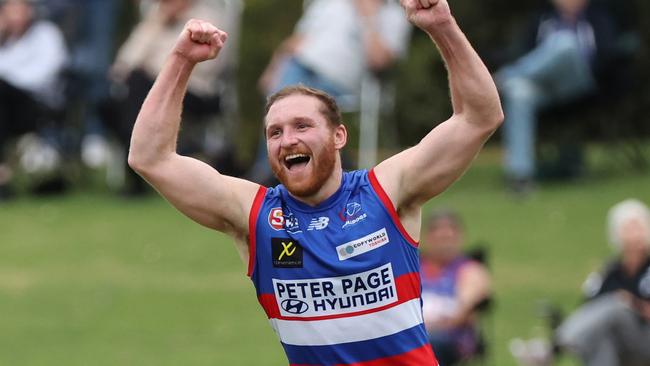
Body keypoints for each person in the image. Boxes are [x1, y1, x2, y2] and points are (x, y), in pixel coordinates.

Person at [127, 0, 503, 363]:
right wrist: (181, 60)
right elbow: (149, 158)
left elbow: (479, 117)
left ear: (339, 136)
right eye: (274, 132)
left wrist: (442, 26)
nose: (287, 139)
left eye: (302, 126)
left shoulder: (387, 190)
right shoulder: (255, 214)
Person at [248, 0, 412, 184]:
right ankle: (271, 171)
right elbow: (299, 38)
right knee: (278, 103)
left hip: (337, 82)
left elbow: (379, 60)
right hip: (299, 65)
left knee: (293, 103)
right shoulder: (330, 2)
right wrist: (274, 67)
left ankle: (267, 176)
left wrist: (368, 18)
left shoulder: (394, 16)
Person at [108, 0, 240, 196]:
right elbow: (123, 64)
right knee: (109, 103)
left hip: (194, 90)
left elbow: (209, 66)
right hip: (147, 90)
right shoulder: (156, 18)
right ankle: (165, 156)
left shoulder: (207, 20)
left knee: (132, 91)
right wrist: (157, 22)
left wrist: (157, 72)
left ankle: (142, 168)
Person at [495, 0, 618, 192]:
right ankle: (521, 176)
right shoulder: (542, 19)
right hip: (544, 86)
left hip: (581, 82)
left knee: (565, 43)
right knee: (518, 94)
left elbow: (607, 55)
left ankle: (503, 78)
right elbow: (525, 51)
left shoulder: (597, 18)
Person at [511, 199, 650, 366]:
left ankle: (552, 348)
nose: (634, 234)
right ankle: (555, 347)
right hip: (618, 344)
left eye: (638, 226)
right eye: (628, 228)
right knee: (601, 339)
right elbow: (588, 308)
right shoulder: (609, 271)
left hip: (644, 340)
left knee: (616, 305)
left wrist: (631, 302)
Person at [0, 0, 68, 199]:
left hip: (37, 105)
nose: (15, 15)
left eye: (19, 8)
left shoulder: (46, 34)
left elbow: (44, 73)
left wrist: (7, 79)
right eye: (9, 10)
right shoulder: (6, 41)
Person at [420, 210, 491, 365]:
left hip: (450, 341)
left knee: (429, 343)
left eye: (449, 235)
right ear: (427, 237)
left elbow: (461, 314)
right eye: (438, 235)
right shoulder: (411, 267)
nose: (444, 241)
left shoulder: (470, 270)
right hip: (413, 336)